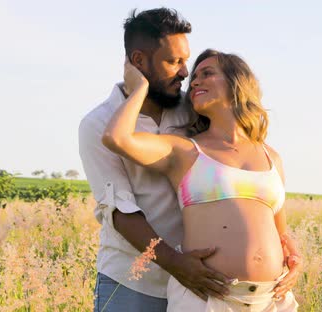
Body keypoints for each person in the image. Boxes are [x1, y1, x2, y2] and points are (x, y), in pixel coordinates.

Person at [102, 49, 301, 311]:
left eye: (207, 73)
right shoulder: (185, 151)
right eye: (194, 77)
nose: (194, 81)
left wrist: (294, 257)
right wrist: (139, 86)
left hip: (272, 300)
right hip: (208, 300)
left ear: (236, 82)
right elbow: (117, 138)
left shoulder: (271, 156)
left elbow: (280, 231)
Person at [79, 8, 232, 311]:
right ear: (138, 62)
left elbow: (237, 162)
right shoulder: (98, 124)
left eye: (186, 61)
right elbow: (120, 213)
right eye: (174, 61)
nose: (185, 72)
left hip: (198, 281)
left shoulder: (192, 112)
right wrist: (177, 265)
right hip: (131, 282)